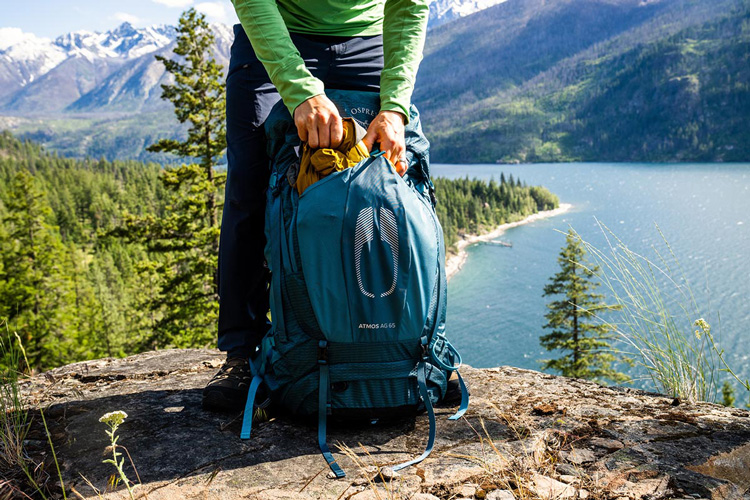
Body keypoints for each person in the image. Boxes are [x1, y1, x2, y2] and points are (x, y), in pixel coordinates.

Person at [202, 0, 430, 411]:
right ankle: (241, 352)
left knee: (396, 181)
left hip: (370, 43)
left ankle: (419, 350)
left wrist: (395, 105)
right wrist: (299, 90)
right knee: (249, 189)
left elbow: (410, 4)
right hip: (275, 36)